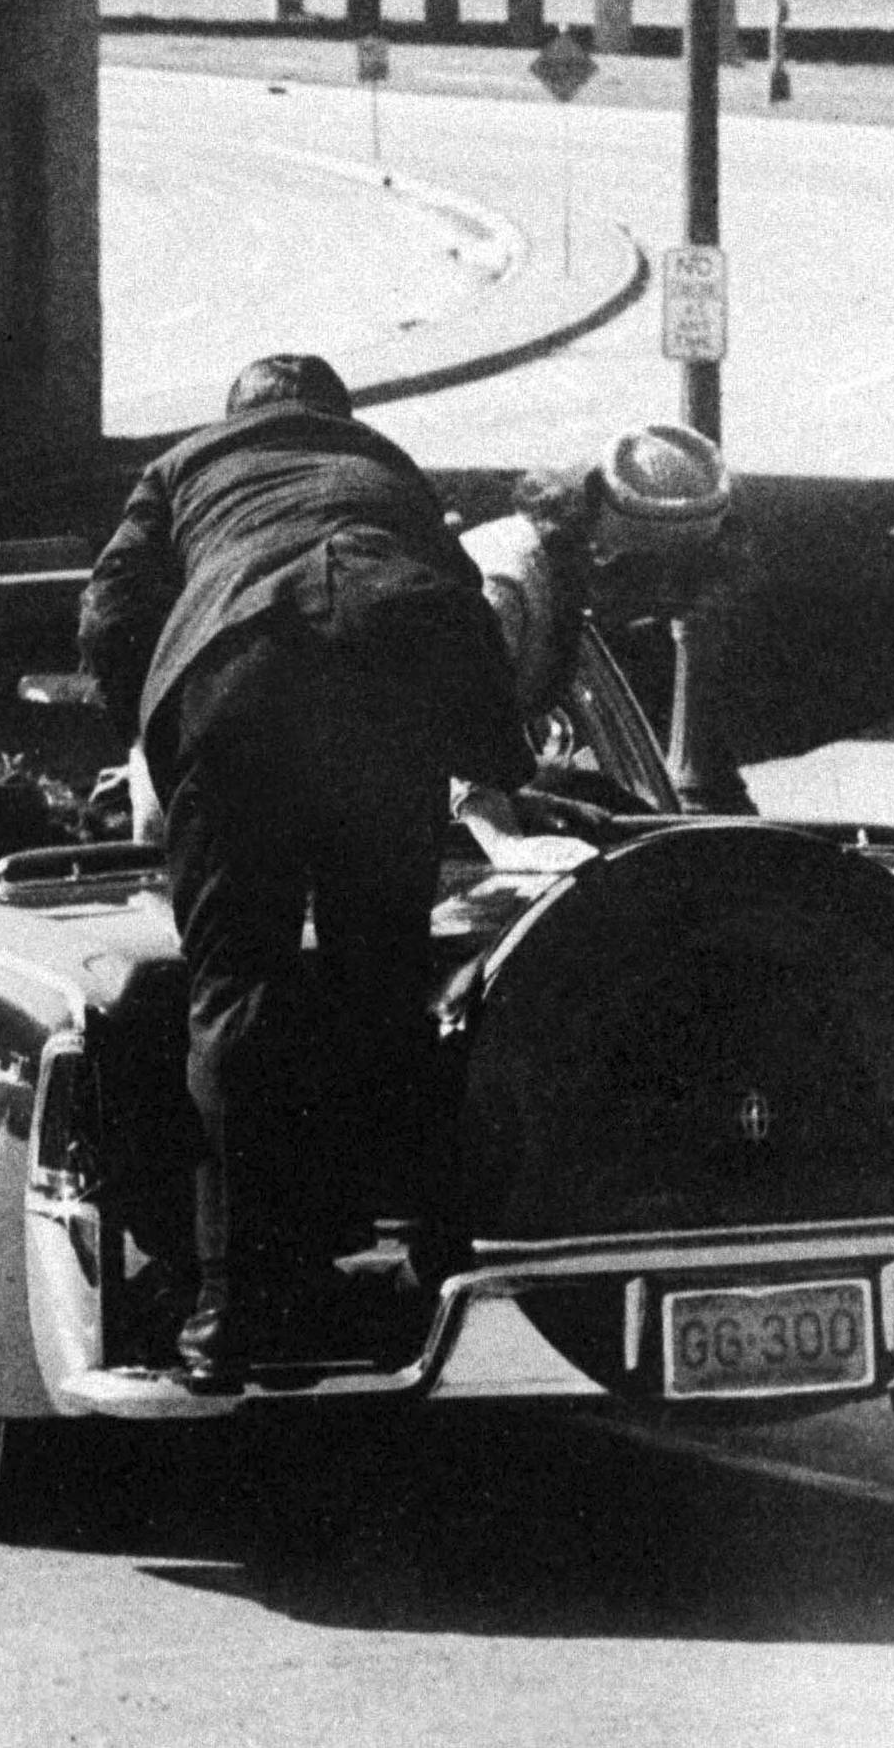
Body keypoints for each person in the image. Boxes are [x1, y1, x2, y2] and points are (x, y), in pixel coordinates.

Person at [79, 354, 537, 1380]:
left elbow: (108, 614)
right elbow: (459, 608)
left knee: (237, 995)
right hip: (392, 687)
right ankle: (428, 1273)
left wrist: (153, 743)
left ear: (236, 413)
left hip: (238, 687)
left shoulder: (183, 467)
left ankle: (233, 1315)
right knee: (388, 987)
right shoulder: (386, 465)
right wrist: (501, 767)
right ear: (334, 415)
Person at [455, 422, 735, 839]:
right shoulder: (504, 583)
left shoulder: (557, 578)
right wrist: (505, 839)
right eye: (655, 577)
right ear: (608, 554)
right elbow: (451, 730)